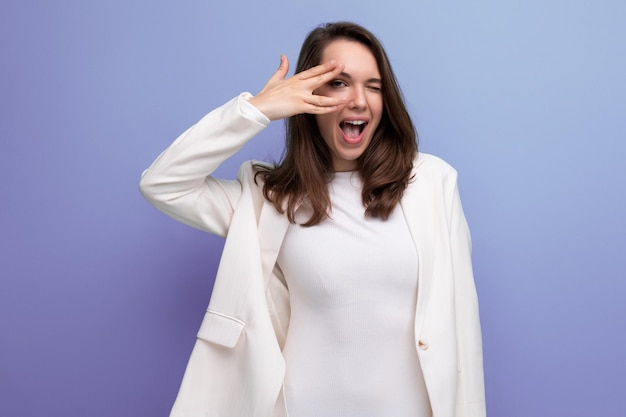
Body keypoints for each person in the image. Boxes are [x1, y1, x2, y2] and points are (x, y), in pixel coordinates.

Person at [140, 21, 485, 417]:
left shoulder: (431, 183)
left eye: (373, 86)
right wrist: (257, 110)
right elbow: (163, 184)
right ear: (308, 97)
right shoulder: (271, 200)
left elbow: (463, 330)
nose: (359, 100)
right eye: (339, 83)